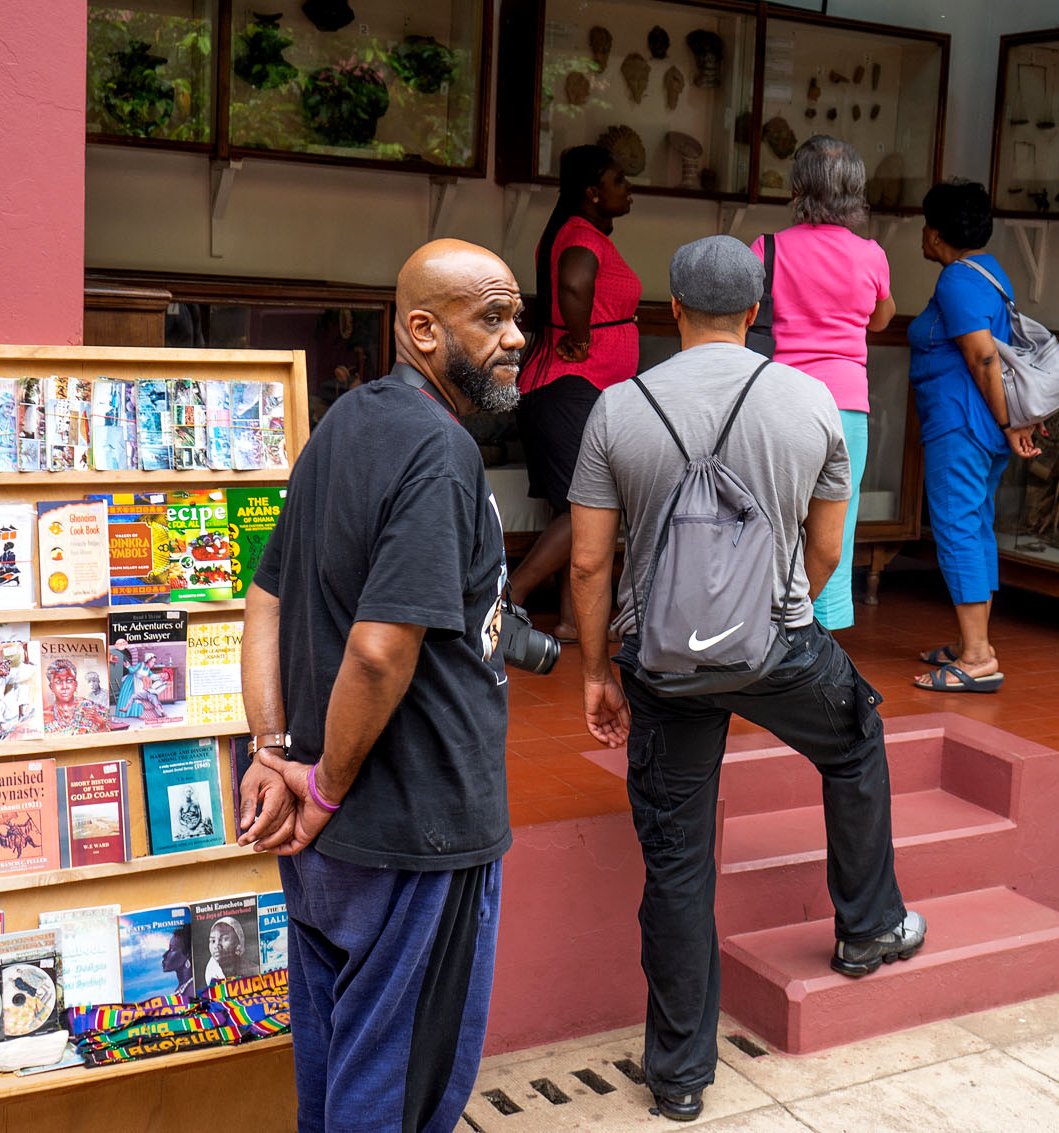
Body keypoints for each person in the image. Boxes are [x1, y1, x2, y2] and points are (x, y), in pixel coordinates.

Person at [569, 236, 923, 1124]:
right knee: (854, 737)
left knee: (679, 862)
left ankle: (681, 1074)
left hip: (660, 668)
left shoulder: (617, 408)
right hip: (779, 650)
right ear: (756, 312)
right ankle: (868, 925)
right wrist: (774, 604)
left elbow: (585, 566)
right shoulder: (809, 402)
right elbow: (830, 547)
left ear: (673, 310)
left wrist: (593, 674)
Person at [235, 238, 521, 1133]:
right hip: (411, 829)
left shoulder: (344, 422)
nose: (515, 337)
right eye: (493, 317)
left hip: (332, 833)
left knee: (333, 1066)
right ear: (423, 329)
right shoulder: (440, 453)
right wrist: (319, 788)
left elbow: (262, 603)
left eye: (517, 315)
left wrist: (273, 751)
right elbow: (377, 652)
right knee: (398, 1091)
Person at [751, 135, 895, 629]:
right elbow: (880, 320)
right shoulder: (872, 255)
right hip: (846, 405)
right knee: (837, 525)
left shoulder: (766, 249)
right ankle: (822, 631)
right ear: (855, 193)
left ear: (798, 189)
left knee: (773, 517)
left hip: (779, 401)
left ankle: (766, 621)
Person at [908, 180, 1038, 694]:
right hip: (980, 424)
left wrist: (1011, 423)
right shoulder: (991, 273)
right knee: (976, 525)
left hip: (960, 423)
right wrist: (1007, 423)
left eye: (925, 225)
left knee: (957, 529)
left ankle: (979, 656)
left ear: (936, 234)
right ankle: (972, 642)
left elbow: (982, 355)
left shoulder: (956, 282)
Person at [510, 145, 640, 640]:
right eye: (618, 180)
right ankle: (511, 595)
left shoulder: (572, 231)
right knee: (586, 508)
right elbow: (573, 284)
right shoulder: (581, 236)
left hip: (564, 391)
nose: (627, 189)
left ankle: (571, 620)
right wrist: (581, 336)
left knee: (573, 510)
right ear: (592, 192)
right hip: (571, 388)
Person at [43, 657, 109, 735]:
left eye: (69, 680)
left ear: (76, 684)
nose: (65, 686)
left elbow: (108, 738)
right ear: (51, 687)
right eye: (58, 681)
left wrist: (102, 726)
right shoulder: (43, 717)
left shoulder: (92, 709)